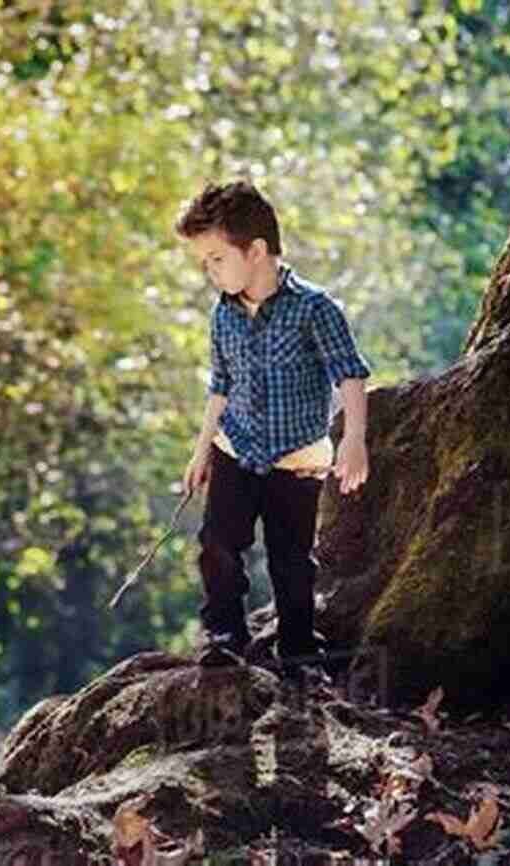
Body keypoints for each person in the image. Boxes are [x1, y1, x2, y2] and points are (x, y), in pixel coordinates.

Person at [174, 180, 371, 680]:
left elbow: (349, 372)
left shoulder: (315, 308)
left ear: (256, 250)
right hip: (233, 447)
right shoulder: (223, 314)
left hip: (296, 457)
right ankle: (224, 635)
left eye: (217, 259)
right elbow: (220, 384)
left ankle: (299, 650)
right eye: (205, 263)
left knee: (291, 560)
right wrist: (201, 451)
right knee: (218, 544)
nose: (209, 271)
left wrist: (353, 440)